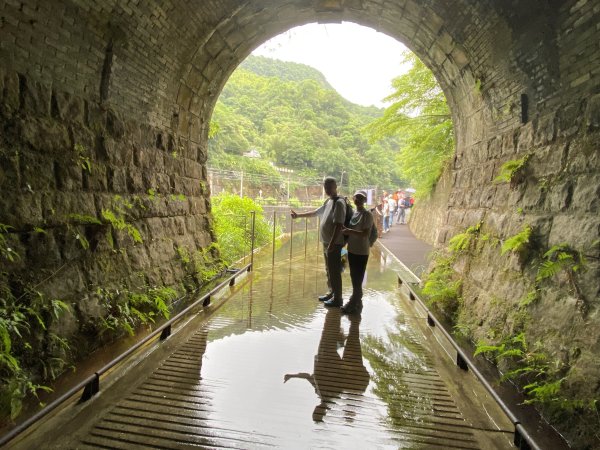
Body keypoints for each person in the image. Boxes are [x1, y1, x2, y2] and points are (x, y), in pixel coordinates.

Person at [284, 310, 369, 422]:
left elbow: (308, 376)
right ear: (322, 412)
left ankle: (341, 311)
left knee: (337, 333)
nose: (317, 409)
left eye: (315, 411)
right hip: (332, 358)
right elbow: (342, 380)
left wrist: (292, 375)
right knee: (338, 333)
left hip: (329, 357)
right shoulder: (332, 396)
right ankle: (343, 309)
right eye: (318, 412)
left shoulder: (320, 392)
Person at [291, 176, 346, 307]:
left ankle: (338, 299)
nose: (327, 189)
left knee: (335, 271)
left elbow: (339, 225)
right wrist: (298, 215)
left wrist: (332, 244)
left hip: (335, 244)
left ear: (335, 187)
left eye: (329, 187)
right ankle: (332, 292)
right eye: (325, 187)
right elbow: (316, 213)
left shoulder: (339, 203)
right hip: (327, 242)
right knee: (329, 270)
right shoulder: (329, 201)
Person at [341, 190, 373, 315]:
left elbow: (365, 234)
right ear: (353, 198)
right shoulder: (355, 213)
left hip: (361, 251)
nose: (358, 200)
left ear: (364, 200)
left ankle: (352, 303)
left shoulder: (367, 215)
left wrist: (349, 231)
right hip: (352, 249)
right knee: (354, 277)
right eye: (356, 197)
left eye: (361, 198)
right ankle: (358, 304)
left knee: (357, 279)